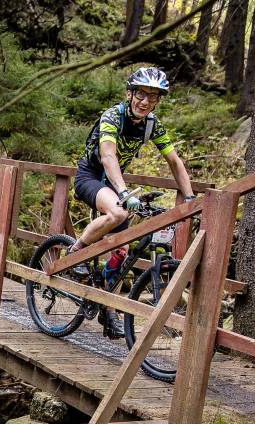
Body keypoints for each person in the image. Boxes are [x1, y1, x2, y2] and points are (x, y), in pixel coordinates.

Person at [70, 66, 195, 339]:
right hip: (91, 177)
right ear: (130, 94)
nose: (145, 101)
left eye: (153, 96)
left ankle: (109, 312)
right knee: (117, 213)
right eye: (141, 94)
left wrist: (190, 198)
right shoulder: (112, 116)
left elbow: (174, 161)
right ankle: (75, 253)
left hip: (114, 184)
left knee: (121, 253)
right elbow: (108, 156)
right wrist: (124, 192)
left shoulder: (152, 125)